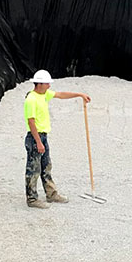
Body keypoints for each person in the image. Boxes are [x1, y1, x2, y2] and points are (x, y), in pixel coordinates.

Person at [24, 69, 91, 208]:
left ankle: (51, 194)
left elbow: (60, 95)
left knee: (46, 166)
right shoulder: (31, 99)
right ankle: (32, 199)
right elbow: (31, 122)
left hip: (43, 137)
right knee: (34, 168)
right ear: (40, 84)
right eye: (47, 83)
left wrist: (79, 94)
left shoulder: (44, 95)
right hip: (35, 137)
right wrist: (38, 141)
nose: (49, 86)